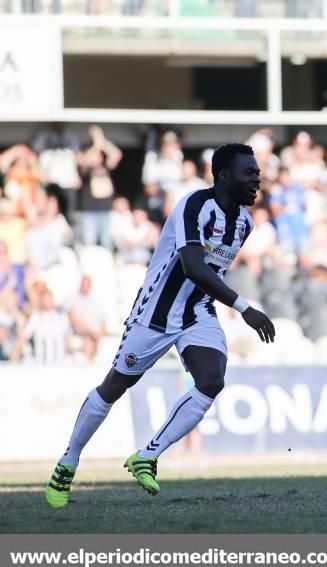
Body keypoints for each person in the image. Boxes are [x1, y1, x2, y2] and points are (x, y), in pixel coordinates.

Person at [46, 144, 276, 509]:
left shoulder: (245, 223)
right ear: (223, 176)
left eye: (257, 172)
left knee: (212, 380)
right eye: (249, 172)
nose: (257, 178)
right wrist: (245, 308)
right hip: (154, 313)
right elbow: (193, 267)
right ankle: (68, 461)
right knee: (115, 386)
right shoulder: (194, 206)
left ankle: (147, 456)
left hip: (197, 311)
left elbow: (209, 274)